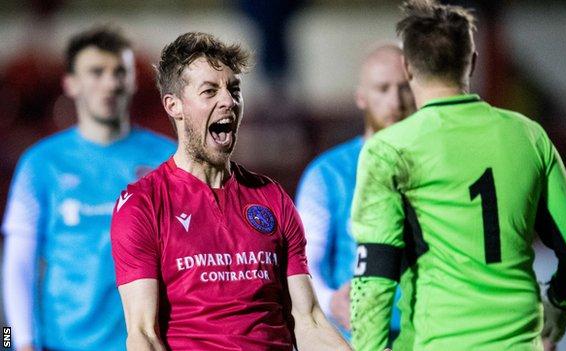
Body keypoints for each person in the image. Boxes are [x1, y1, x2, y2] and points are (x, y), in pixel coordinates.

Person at [350, 1, 566, 351]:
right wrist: (556, 311)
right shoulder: (528, 135)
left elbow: (375, 274)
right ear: (473, 61)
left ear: (408, 67)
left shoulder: (390, 149)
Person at [110, 32, 351, 351]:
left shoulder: (271, 197)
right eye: (210, 91)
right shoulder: (143, 204)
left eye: (234, 89)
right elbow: (144, 334)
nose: (228, 101)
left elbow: (309, 320)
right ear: (174, 106)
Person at [2, 27, 176, 351]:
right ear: (70, 83)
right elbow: (18, 264)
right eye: (96, 72)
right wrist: (17, 342)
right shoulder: (40, 164)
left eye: (119, 72)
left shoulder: (169, 159)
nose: (109, 83)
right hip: (62, 343)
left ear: (134, 81)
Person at [295, 44, 415, 338]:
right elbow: (305, 261)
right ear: (361, 96)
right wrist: (330, 300)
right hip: (356, 338)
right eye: (382, 89)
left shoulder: (440, 167)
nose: (395, 101)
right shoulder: (327, 174)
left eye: (404, 87)